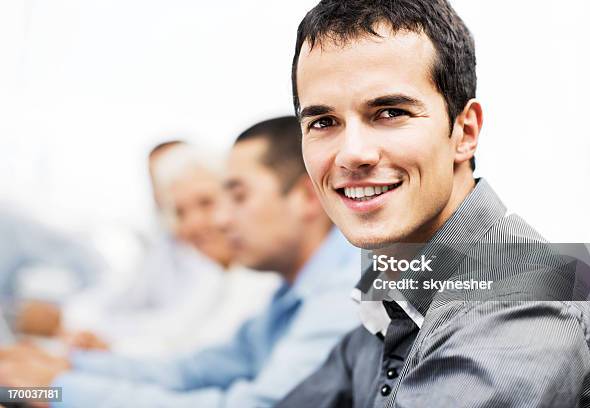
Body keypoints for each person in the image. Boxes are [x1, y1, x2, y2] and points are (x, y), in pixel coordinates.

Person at [277, 1, 590, 407]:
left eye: (390, 112)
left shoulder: (523, 306)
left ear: (465, 132)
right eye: (323, 122)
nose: (352, 154)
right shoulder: (392, 293)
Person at [0, 117, 360, 407]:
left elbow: (259, 405)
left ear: (307, 198)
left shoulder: (345, 291)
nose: (221, 220)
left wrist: (62, 390)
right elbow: (196, 369)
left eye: (238, 196)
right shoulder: (290, 293)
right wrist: (70, 369)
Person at [62, 141, 278, 356]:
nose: (193, 224)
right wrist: (105, 346)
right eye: (180, 213)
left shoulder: (263, 279)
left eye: (206, 203)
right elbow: (176, 337)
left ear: (237, 198)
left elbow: (200, 362)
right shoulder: (217, 276)